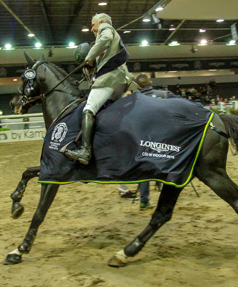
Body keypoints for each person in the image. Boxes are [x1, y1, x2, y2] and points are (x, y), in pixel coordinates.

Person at [64, 13, 133, 165]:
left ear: (100, 22)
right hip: (120, 82)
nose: (91, 29)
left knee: (89, 108)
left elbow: (105, 38)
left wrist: (89, 56)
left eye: (93, 25)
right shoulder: (111, 48)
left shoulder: (105, 28)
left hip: (110, 79)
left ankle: (85, 151)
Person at [134, 74, 180, 210]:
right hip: (165, 137)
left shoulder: (133, 100)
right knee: (172, 165)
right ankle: (167, 200)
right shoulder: (164, 94)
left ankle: (144, 201)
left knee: (144, 171)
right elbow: (182, 104)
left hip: (143, 139)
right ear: (150, 83)